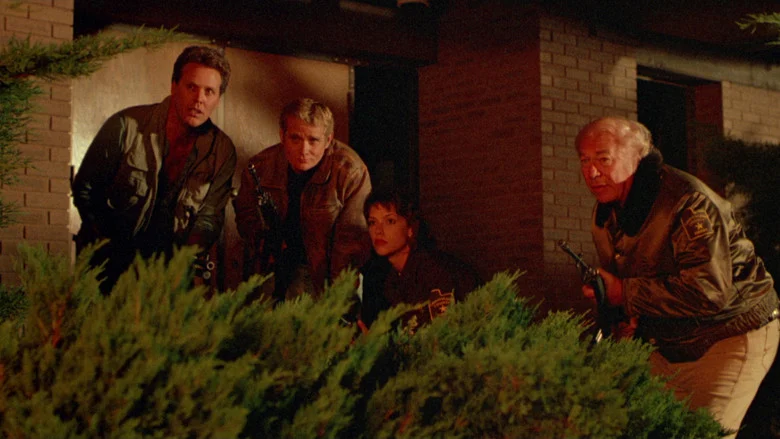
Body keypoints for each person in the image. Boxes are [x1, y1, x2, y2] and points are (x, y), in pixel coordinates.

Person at [575, 116, 779, 437]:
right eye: (585, 161)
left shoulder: (687, 201)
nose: (592, 172)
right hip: (669, 341)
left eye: (603, 159)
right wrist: (617, 308)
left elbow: (708, 291)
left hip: (731, 332)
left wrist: (624, 292)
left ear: (637, 157)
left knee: (702, 433)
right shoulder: (607, 214)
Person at [72, 46, 237, 293]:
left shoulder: (222, 150)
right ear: (174, 86)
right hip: (107, 265)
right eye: (191, 87)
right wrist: (106, 244)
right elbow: (85, 189)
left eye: (209, 91)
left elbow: (210, 216)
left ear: (218, 98)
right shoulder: (126, 126)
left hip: (169, 275)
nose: (199, 99)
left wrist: (186, 258)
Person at [233, 98, 372, 301]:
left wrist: (336, 297)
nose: (304, 149)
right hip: (273, 268)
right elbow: (246, 214)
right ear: (282, 136)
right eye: (295, 138)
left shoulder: (350, 172)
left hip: (326, 272)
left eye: (313, 140)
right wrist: (264, 243)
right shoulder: (260, 167)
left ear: (328, 140)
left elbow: (351, 244)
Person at [359, 189, 481, 333]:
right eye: (372, 222)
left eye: (390, 221)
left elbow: (443, 337)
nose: (378, 230)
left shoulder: (435, 272)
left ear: (410, 228)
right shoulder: (387, 280)